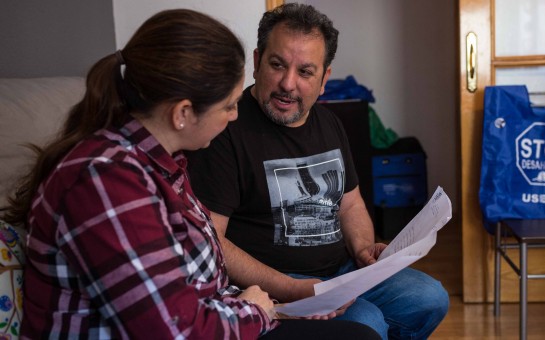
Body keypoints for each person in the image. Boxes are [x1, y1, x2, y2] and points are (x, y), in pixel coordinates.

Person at [1, 9, 379, 339]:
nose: (235, 115)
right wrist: (259, 311)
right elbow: (175, 330)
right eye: (229, 105)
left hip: (227, 312)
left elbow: (189, 289)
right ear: (183, 114)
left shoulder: (162, 165)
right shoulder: (105, 183)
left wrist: (264, 306)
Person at [186, 3, 449, 339]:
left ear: (325, 78)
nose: (287, 84)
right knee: (368, 323)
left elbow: (350, 204)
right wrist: (292, 289)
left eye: (305, 72)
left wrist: (363, 249)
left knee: (429, 298)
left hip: (341, 272)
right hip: (274, 281)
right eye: (277, 65)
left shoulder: (329, 122)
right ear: (256, 62)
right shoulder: (225, 128)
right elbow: (212, 242)